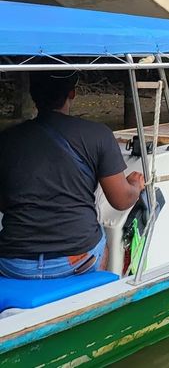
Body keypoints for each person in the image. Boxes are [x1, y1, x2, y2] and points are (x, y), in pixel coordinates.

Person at [0, 73, 145, 279]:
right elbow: (121, 201)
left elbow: (3, 203)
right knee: (100, 236)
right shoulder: (98, 135)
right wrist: (135, 185)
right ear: (72, 93)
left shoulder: (6, 139)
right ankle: (95, 298)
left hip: (12, 263)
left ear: (33, 95)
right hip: (75, 261)